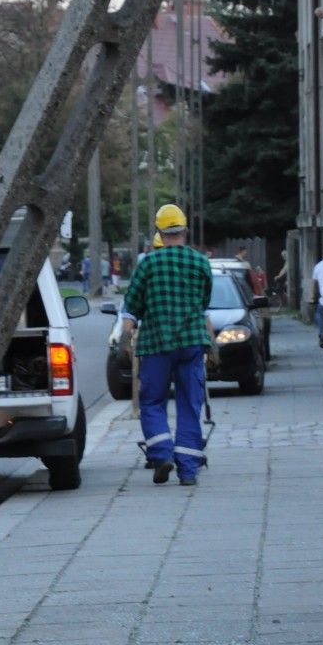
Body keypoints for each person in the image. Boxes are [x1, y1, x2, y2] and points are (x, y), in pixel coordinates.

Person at [122, 203, 213, 487]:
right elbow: (204, 302)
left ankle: (162, 456)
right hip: (191, 343)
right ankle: (188, 471)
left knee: (151, 402)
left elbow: (133, 305)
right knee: (189, 404)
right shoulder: (201, 262)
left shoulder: (148, 263)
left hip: (155, 343)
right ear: (185, 229)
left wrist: (128, 332)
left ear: (159, 231)